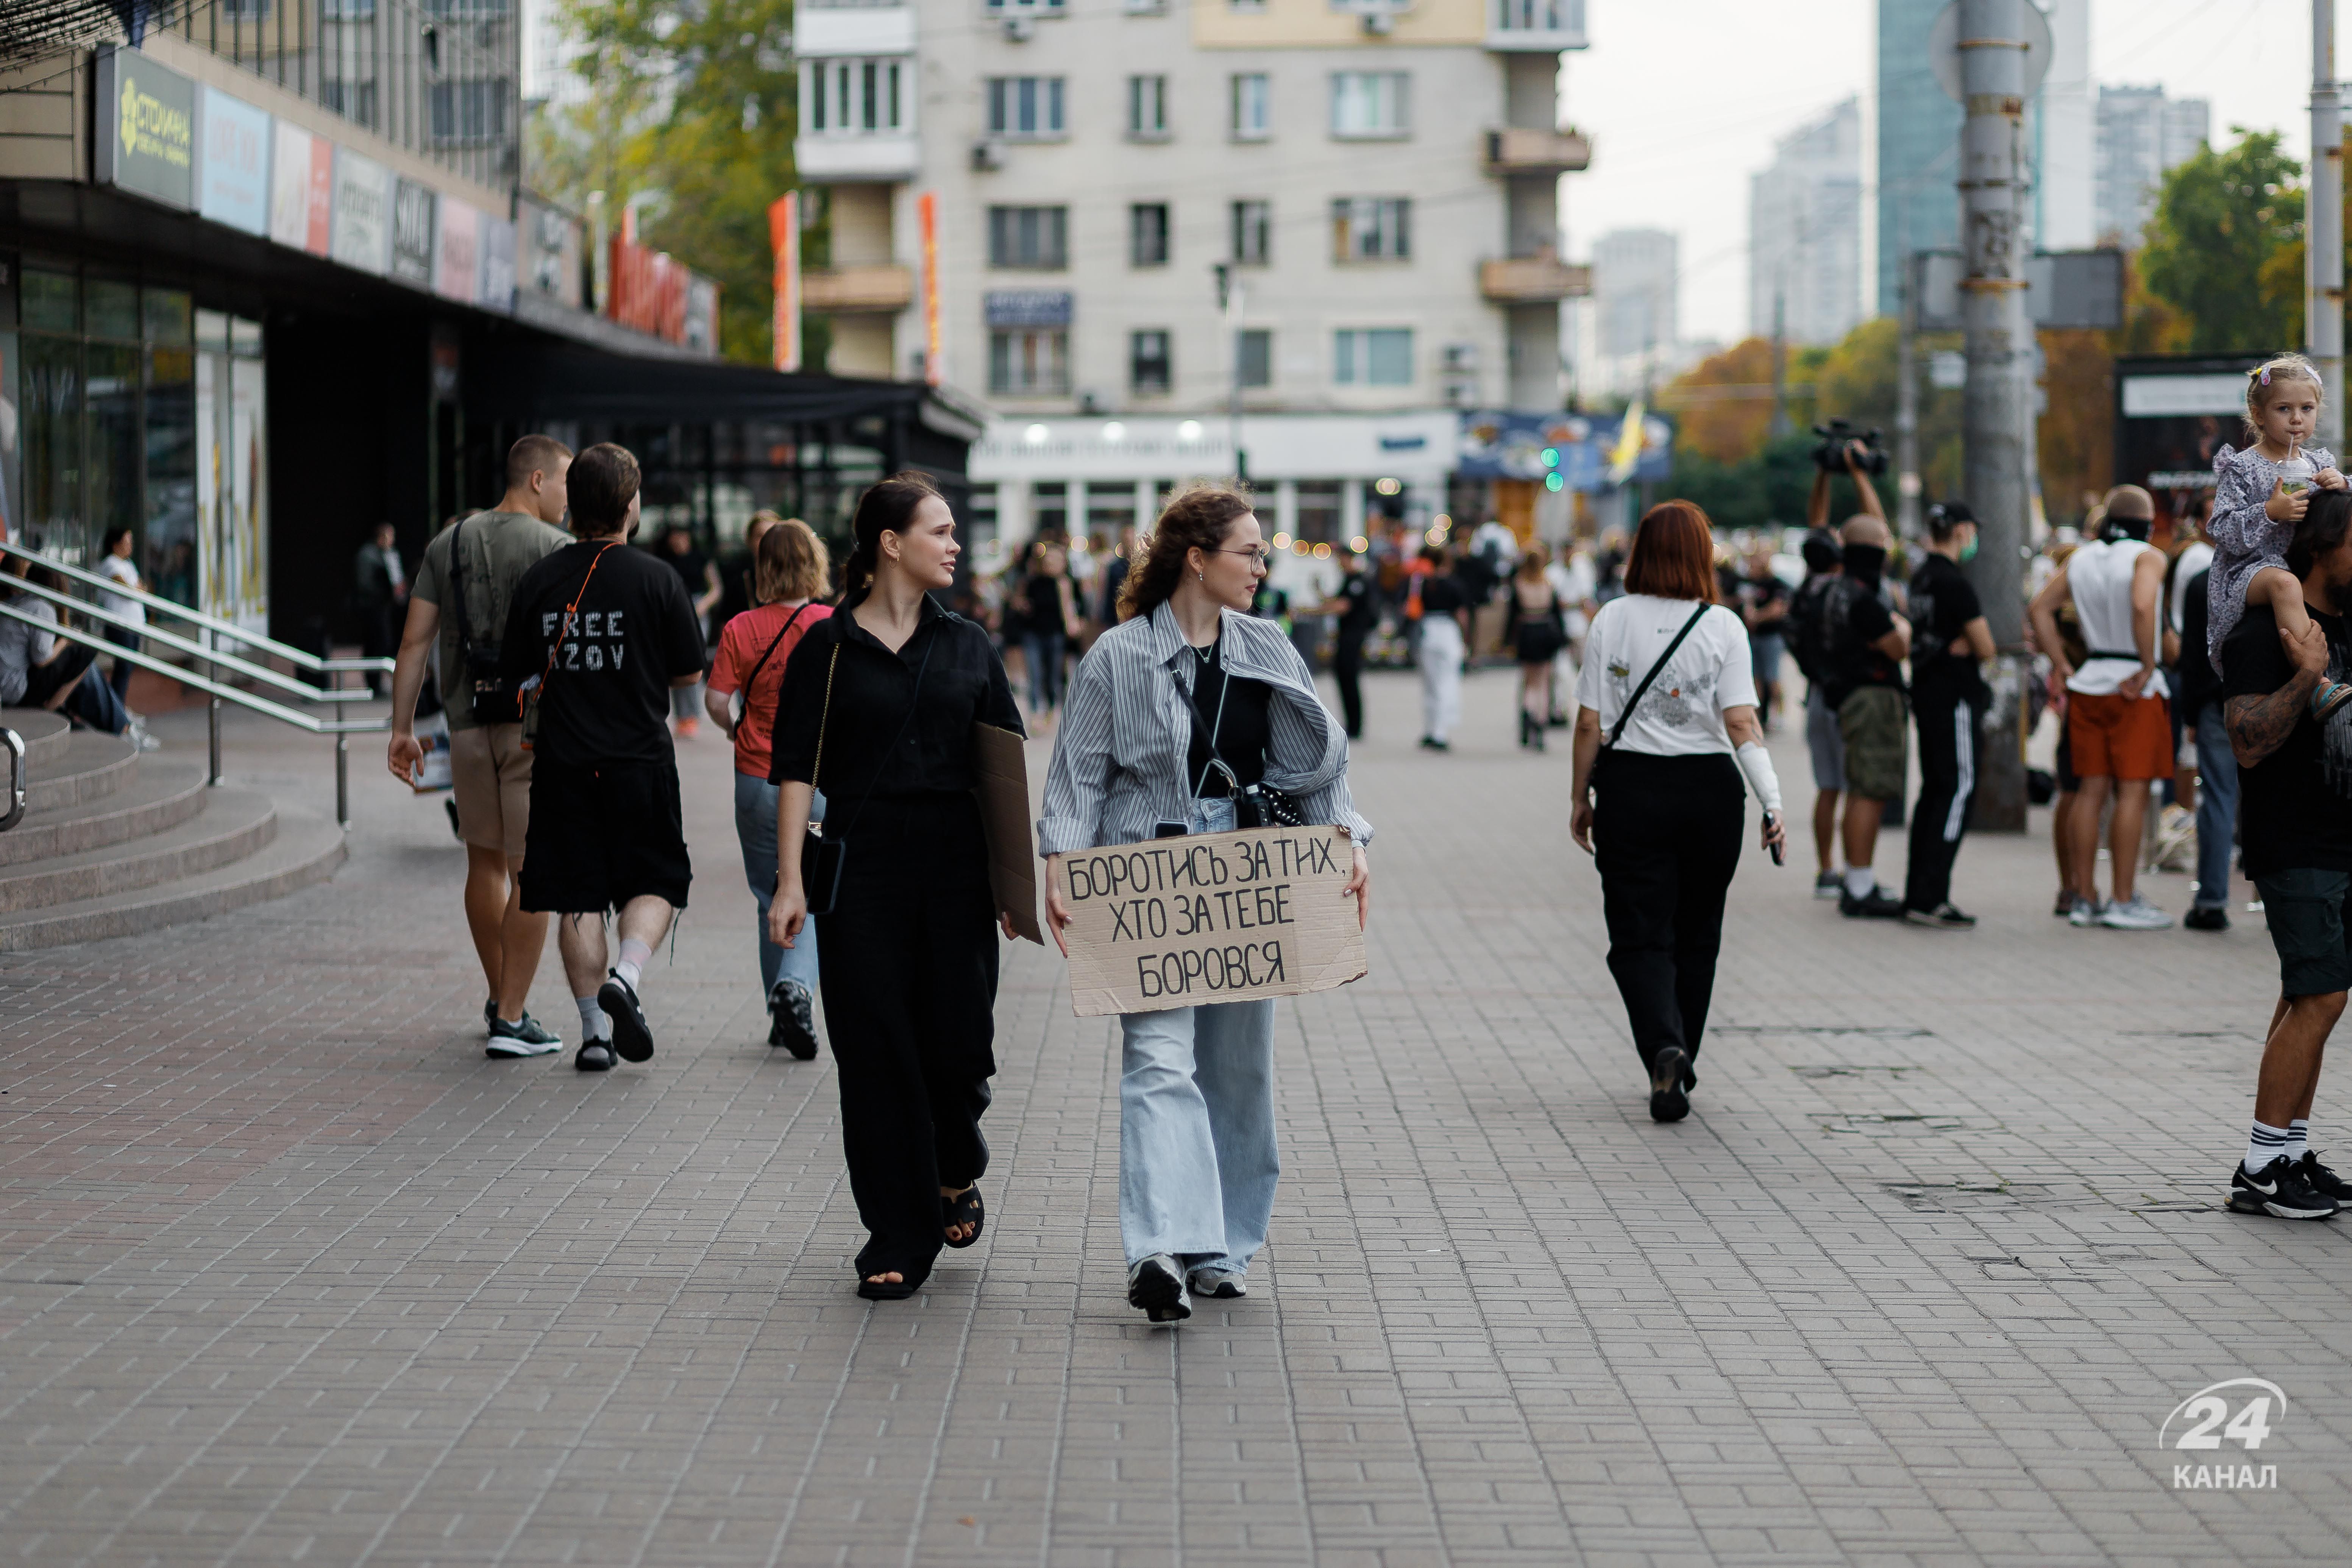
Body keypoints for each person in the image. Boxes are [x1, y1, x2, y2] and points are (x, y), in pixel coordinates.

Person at [1039, 483, 1373, 1323]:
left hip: (1248, 872)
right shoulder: (1117, 655)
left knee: (1235, 1067)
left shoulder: (1269, 647)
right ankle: (1156, 1247)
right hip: (1144, 871)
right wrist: (1059, 862)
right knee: (1157, 1060)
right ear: (1197, 557)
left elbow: (1318, 762)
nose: (1264, 565)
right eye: (1250, 551)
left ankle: (1220, 1246)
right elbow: (1080, 773)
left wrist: (1348, 842)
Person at [767, 472, 1025, 1301]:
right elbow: (797, 770)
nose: (955, 545)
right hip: (863, 866)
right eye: (939, 531)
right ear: (890, 544)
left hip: (956, 866)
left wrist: (1018, 880)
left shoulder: (969, 645)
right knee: (876, 1050)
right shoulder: (827, 650)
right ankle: (896, 1230)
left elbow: (1004, 768)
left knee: (959, 1047)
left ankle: (957, 1165)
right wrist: (786, 884)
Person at [1568, 501, 1786, 1123]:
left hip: (1633, 788)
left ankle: (1663, 1045)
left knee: (1638, 935)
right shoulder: (1724, 626)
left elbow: (1589, 721)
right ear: (1700, 555)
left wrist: (1579, 796)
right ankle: (1680, 1053)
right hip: (1711, 793)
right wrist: (1772, 801)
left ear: (1640, 551)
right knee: (1699, 933)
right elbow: (1743, 723)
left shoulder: (1611, 618)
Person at [501, 443, 707, 1073]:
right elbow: (686, 676)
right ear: (630, 504)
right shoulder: (657, 579)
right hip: (640, 761)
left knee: (579, 898)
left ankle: (595, 1033)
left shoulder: (540, 580)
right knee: (657, 881)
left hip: (565, 764)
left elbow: (518, 675)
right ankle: (628, 973)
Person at [387, 434, 574, 1057]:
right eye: (567, 484)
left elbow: (414, 642)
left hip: (464, 726)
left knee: (484, 865)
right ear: (539, 480)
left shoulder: (450, 543)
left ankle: (501, 997)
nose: (571, 500)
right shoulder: (560, 551)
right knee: (535, 871)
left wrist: (402, 728)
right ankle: (513, 1015)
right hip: (533, 730)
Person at [2216, 488, 2352, 1219]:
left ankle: (2289, 1151)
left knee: (2313, 996)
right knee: (2322, 994)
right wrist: (2304, 677)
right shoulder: (2262, 634)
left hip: (2342, 835)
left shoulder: (2347, 621)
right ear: (2321, 547)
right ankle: (2260, 1168)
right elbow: (2245, 741)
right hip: (2295, 840)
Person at [705, 518, 833, 1057]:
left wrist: (737, 728)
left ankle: (780, 1017)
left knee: (769, 898)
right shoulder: (831, 623)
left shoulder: (740, 627)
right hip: (820, 788)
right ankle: (796, 989)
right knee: (813, 893)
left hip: (755, 780)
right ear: (814, 564)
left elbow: (715, 701)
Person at [2029, 484, 2175, 930]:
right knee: (2130, 791)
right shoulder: (2147, 556)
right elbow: (2140, 602)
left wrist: (2060, 664)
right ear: (2148, 523)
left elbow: (2039, 609)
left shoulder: (2082, 557)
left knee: (2089, 792)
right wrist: (2147, 664)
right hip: (2133, 683)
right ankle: (2123, 899)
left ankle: (2083, 895)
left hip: (2089, 680)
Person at [2206, 354, 2349, 693]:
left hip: (2302, 565)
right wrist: (2270, 511)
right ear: (2259, 414)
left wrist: (2341, 484)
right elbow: (2221, 530)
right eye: (2283, 409)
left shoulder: (2319, 462)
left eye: (2306, 409)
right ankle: (2318, 681)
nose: (2296, 419)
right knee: (2284, 586)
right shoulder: (2242, 466)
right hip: (2251, 568)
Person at [1898, 502, 1998, 929]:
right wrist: (1970, 645)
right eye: (1972, 528)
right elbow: (1985, 646)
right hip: (1954, 697)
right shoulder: (1954, 583)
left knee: (1934, 790)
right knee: (1958, 789)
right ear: (1959, 531)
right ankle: (1932, 895)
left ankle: (1916, 892)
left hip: (1924, 692)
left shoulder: (1920, 578)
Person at [1807, 515, 1911, 919]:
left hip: (1842, 694)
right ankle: (1860, 884)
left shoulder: (1831, 591)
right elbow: (1898, 647)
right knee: (1868, 790)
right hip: (1872, 695)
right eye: (1884, 541)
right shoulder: (1864, 597)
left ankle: (1856, 878)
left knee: (1856, 789)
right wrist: (1900, 627)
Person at [1787, 530, 1847, 899]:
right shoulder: (1843, 592)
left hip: (1817, 694)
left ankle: (1826, 868)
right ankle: (1858, 873)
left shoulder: (1802, 595)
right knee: (1856, 790)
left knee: (1827, 787)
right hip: (1846, 695)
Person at [2178, 552, 2233, 931]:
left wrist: (2191, 712)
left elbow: (2192, 653)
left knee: (2216, 796)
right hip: (2276, 699)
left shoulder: (2203, 582)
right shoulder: (2282, 571)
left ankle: (2211, 900)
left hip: (2216, 701)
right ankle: (2276, 897)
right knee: (2271, 797)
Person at [660, 526, 724, 739]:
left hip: (697, 609)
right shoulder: (665, 561)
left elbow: (716, 589)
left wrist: (703, 606)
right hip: (674, 609)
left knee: (691, 660)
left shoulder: (701, 559)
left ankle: (692, 714)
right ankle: (682, 716)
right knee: (676, 664)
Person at [1502, 543, 1567, 750]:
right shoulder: (1548, 584)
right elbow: (1557, 615)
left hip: (1527, 632)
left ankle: (1527, 712)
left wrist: (1506, 642)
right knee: (1543, 681)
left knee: (1528, 681)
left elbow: (1511, 617)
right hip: (1545, 632)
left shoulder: (1519, 585)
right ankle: (1539, 721)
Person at [1313, 550, 1379, 739]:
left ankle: (1356, 726)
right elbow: (1335, 601)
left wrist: (1314, 611)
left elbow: (1342, 606)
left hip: (1354, 636)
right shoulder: (1348, 580)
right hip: (1345, 635)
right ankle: (1351, 723)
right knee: (1343, 677)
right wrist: (1320, 593)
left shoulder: (1357, 581)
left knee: (1349, 677)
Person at [1019, 539, 1080, 725]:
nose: (1052, 564)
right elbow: (1022, 604)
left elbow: (1077, 609)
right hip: (1033, 633)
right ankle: (1037, 711)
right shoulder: (1032, 582)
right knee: (1035, 674)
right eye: (1049, 560)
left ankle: (1054, 710)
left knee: (1055, 675)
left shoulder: (1066, 583)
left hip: (1056, 634)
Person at [1416, 545, 1470, 750]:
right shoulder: (1454, 584)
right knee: (1446, 681)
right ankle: (1441, 731)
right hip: (1448, 630)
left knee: (1430, 683)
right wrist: (1467, 639)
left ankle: (1431, 728)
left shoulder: (1424, 583)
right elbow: (1462, 614)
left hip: (1428, 630)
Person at [353, 522, 406, 698]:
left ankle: (376, 682)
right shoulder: (368, 556)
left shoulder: (386, 555)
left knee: (380, 643)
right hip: (372, 608)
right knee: (376, 643)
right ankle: (374, 683)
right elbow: (365, 584)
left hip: (383, 607)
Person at [1742, 545, 1791, 730]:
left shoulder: (1776, 584)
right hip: (1754, 637)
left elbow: (1778, 609)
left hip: (1771, 637)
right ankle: (1759, 717)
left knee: (1773, 678)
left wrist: (1757, 617)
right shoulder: (1750, 584)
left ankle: (1779, 715)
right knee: (1756, 680)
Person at [96, 526, 148, 702]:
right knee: (123, 668)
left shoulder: (129, 564)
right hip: (120, 625)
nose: (130, 546)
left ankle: (118, 707)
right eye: (127, 541)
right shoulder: (110, 564)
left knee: (126, 668)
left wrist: (136, 589)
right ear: (115, 544)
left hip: (133, 625)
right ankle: (116, 709)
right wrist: (135, 590)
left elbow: (143, 589)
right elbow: (126, 590)